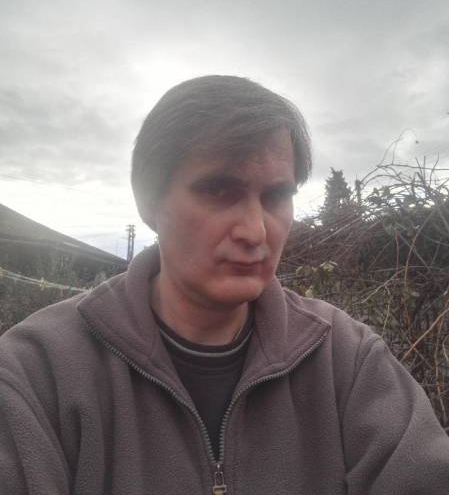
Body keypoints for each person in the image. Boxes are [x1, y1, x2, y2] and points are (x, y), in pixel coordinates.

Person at [1, 75, 448, 494]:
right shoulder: (36, 374)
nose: (255, 231)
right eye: (218, 191)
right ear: (149, 201)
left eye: (276, 196)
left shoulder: (346, 360)